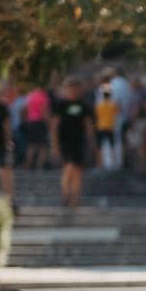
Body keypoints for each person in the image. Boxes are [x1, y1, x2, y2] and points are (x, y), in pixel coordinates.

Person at [51, 77, 95, 208]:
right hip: (65, 141)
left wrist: (92, 143)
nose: (74, 91)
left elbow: (88, 126)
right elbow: (54, 126)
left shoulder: (84, 106)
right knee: (69, 167)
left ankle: (76, 199)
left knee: (78, 170)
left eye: (77, 88)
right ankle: (66, 194)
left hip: (79, 141)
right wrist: (54, 145)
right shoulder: (61, 105)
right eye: (71, 88)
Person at [108, 69, 134, 169]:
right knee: (123, 139)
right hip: (125, 115)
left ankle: (116, 162)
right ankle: (123, 161)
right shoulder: (126, 84)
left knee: (116, 138)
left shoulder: (114, 83)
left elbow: (114, 101)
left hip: (115, 116)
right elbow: (130, 101)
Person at [24, 82, 52, 173]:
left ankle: (28, 164)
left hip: (31, 122)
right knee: (43, 146)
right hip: (40, 122)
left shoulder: (30, 96)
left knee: (31, 145)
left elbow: (26, 109)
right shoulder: (43, 96)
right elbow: (44, 111)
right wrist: (49, 123)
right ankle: (39, 166)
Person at [94, 79, 118, 170]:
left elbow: (96, 115)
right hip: (110, 127)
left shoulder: (99, 105)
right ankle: (114, 163)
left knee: (99, 146)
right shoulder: (113, 104)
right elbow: (117, 112)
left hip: (101, 126)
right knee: (112, 145)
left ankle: (99, 164)